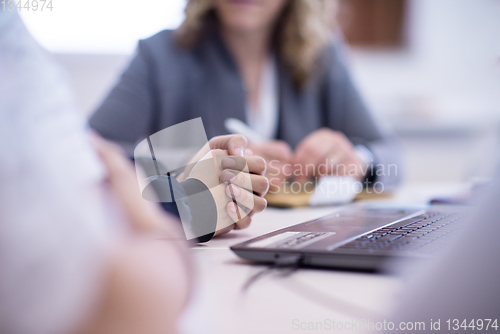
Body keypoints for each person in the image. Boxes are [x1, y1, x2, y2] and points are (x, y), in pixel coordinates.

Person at [0, 10, 266, 334]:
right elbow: (96, 156)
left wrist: (338, 154)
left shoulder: (324, 57)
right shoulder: (160, 52)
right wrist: (179, 190)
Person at [89, 0, 402, 195]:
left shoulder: (323, 54)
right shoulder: (160, 56)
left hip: (295, 248)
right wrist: (195, 165)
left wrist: (359, 162)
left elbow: (392, 158)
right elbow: (87, 155)